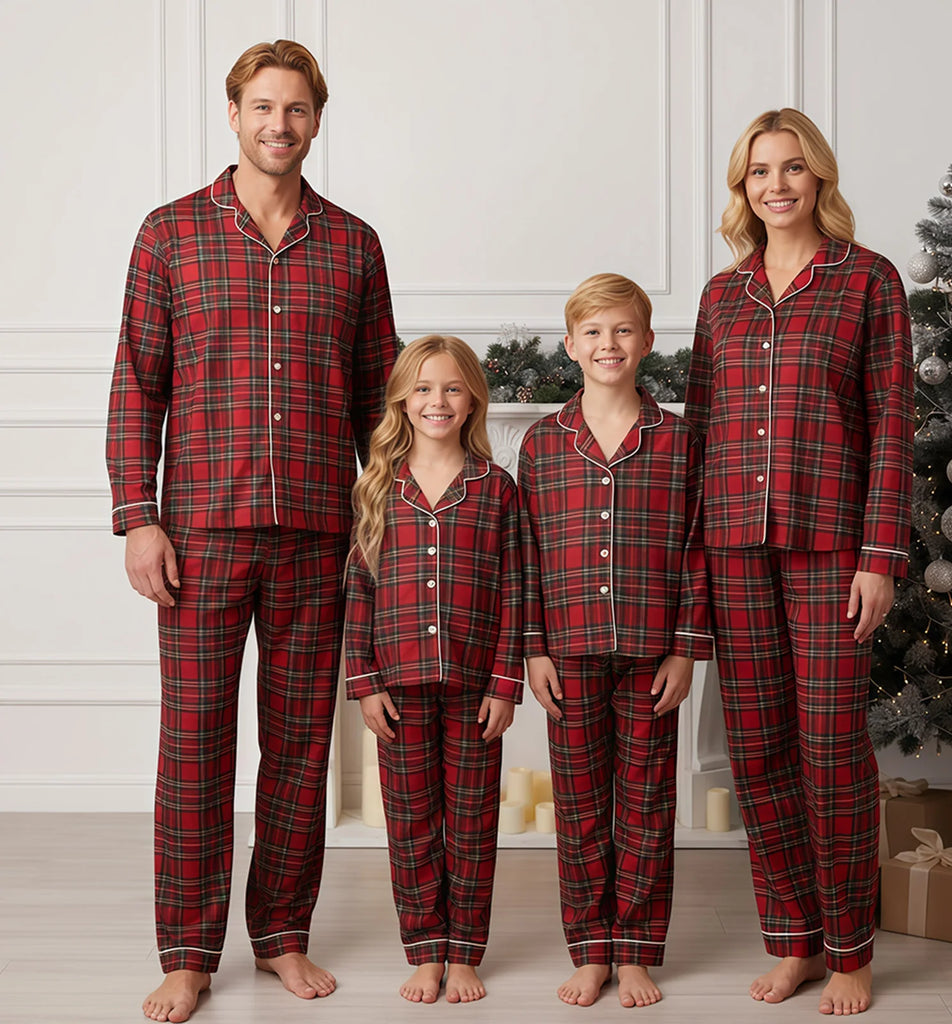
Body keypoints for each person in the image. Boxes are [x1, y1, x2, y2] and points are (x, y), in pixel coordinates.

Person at [105, 39, 397, 1024]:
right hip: (200, 534)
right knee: (193, 743)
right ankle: (188, 951)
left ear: (318, 120)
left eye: (298, 110)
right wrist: (138, 519)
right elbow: (135, 387)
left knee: (299, 746)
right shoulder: (170, 235)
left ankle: (280, 933)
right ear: (233, 114)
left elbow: (380, 400)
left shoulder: (353, 245)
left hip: (317, 534)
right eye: (263, 107)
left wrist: (387, 519)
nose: (280, 124)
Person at [685, 108, 913, 1015]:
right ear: (742, 189)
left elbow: (892, 424)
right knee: (758, 751)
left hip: (831, 548)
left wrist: (880, 555)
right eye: (757, 173)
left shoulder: (868, 282)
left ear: (819, 177)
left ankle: (852, 948)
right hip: (735, 545)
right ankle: (795, 942)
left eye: (791, 169)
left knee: (829, 750)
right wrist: (694, 558)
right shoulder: (720, 296)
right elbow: (699, 433)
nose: (775, 186)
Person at [519, 274, 714, 1009]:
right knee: (578, 803)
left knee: (645, 801)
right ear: (570, 346)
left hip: (652, 649)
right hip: (565, 651)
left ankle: (635, 948)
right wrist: (533, 647)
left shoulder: (680, 440)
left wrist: (686, 647)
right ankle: (591, 949)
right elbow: (526, 555)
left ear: (647, 342)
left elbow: (697, 548)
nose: (609, 344)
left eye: (623, 330)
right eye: (594, 332)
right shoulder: (542, 444)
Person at [343, 334, 522, 1005]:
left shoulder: (496, 489)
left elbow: (516, 590)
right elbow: (357, 593)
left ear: (472, 396)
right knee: (412, 820)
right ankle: (424, 949)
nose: (436, 401)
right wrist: (363, 683)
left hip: (477, 688)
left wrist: (507, 683)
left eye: (450, 387)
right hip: (398, 685)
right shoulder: (376, 487)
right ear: (401, 400)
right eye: (422, 388)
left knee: (472, 818)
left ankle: (466, 949)